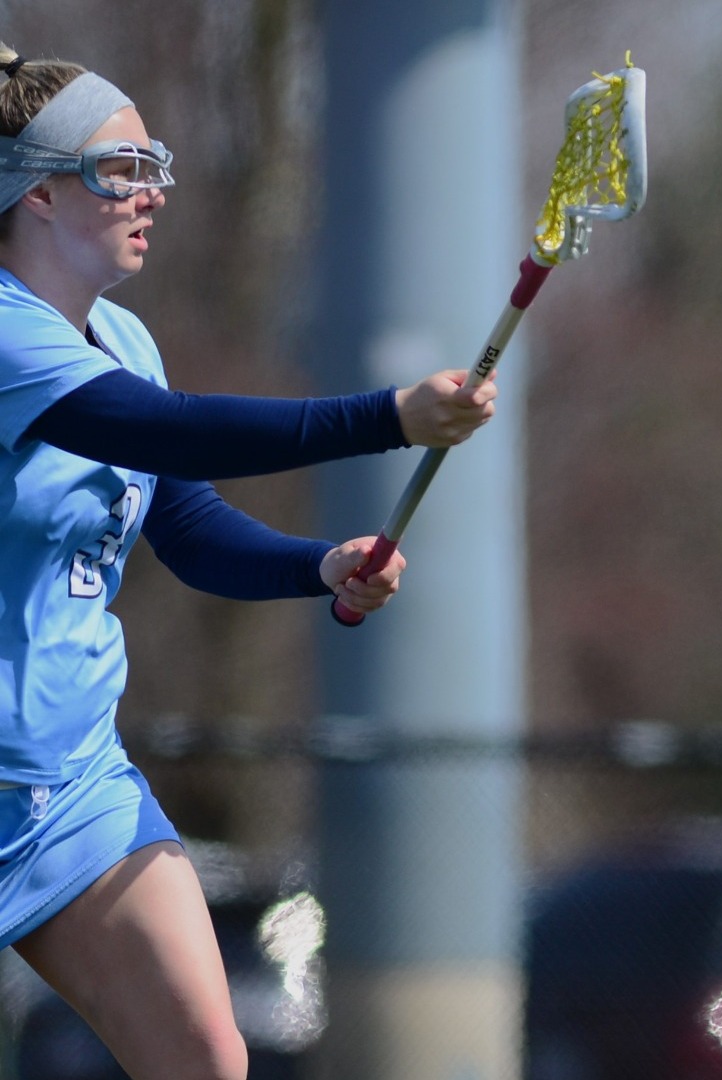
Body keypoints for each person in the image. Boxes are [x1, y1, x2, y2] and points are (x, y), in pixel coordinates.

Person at [0, 45, 496, 1079]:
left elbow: (186, 523)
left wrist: (317, 567)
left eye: (154, 166)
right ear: (37, 193)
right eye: (120, 171)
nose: (153, 193)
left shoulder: (125, 340)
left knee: (205, 1062)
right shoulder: (8, 337)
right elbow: (175, 434)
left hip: (74, 797)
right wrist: (391, 417)